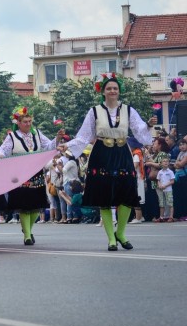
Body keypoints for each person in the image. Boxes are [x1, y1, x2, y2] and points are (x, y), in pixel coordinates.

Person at [61, 73, 157, 251]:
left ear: (119, 91)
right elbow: (83, 136)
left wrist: (149, 125)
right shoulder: (94, 111)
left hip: (122, 152)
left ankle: (121, 232)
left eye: (115, 88)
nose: (112, 91)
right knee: (104, 197)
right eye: (109, 88)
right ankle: (111, 238)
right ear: (103, 92)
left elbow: (139, 129)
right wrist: (67, 145)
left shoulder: (128, 110)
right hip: (102, 153)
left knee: (127, 195)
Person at [0, 106, 63, 245]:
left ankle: (28, 229)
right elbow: (2, 151)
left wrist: (57, 138)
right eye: (25, 121)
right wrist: (1, 157)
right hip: (20, 174)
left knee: (36, 205)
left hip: (36, 172)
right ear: (18, 123)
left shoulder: (37, 133)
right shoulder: (12, 137)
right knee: (23, 205)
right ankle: (27, 235)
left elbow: (49, 146)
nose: (28, 124)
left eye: (29, 121)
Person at [128, 137, 146, 223]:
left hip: (137, 179)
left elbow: (133, 167)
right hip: (138, 178)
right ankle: (140, 216)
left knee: (136, 196)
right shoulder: (137, 153)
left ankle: (138, 217)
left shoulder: (136, 155)